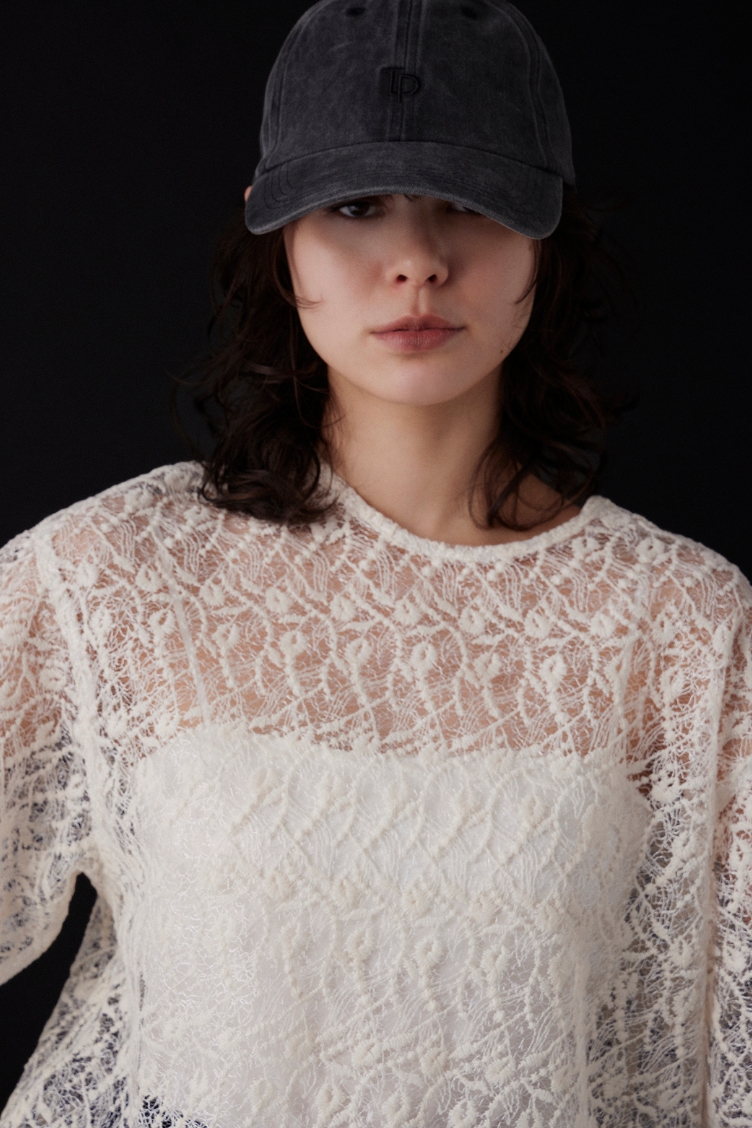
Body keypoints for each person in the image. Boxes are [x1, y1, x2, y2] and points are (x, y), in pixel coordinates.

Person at [1, 0, 750, 1124]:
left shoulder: (678, 625)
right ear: (276, 233)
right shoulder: (110, 577)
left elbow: (708, 1068)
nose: (416, 263)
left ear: (542, 234)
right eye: (356, 206)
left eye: (468, 203)